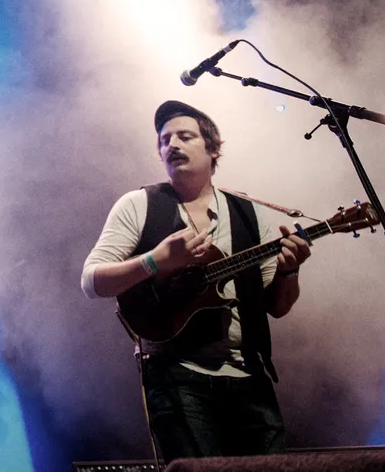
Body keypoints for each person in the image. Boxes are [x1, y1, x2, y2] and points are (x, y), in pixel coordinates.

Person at [81, 100, 312, 461]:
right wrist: (155, 261)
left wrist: (289, 270)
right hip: (175, 374)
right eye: (164, 140)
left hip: (249, 375)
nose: (172, 144)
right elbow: (92, 281)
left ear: (213, 148)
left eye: (184, 136)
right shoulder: (139, 204)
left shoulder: (250, 214)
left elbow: (278, 307)